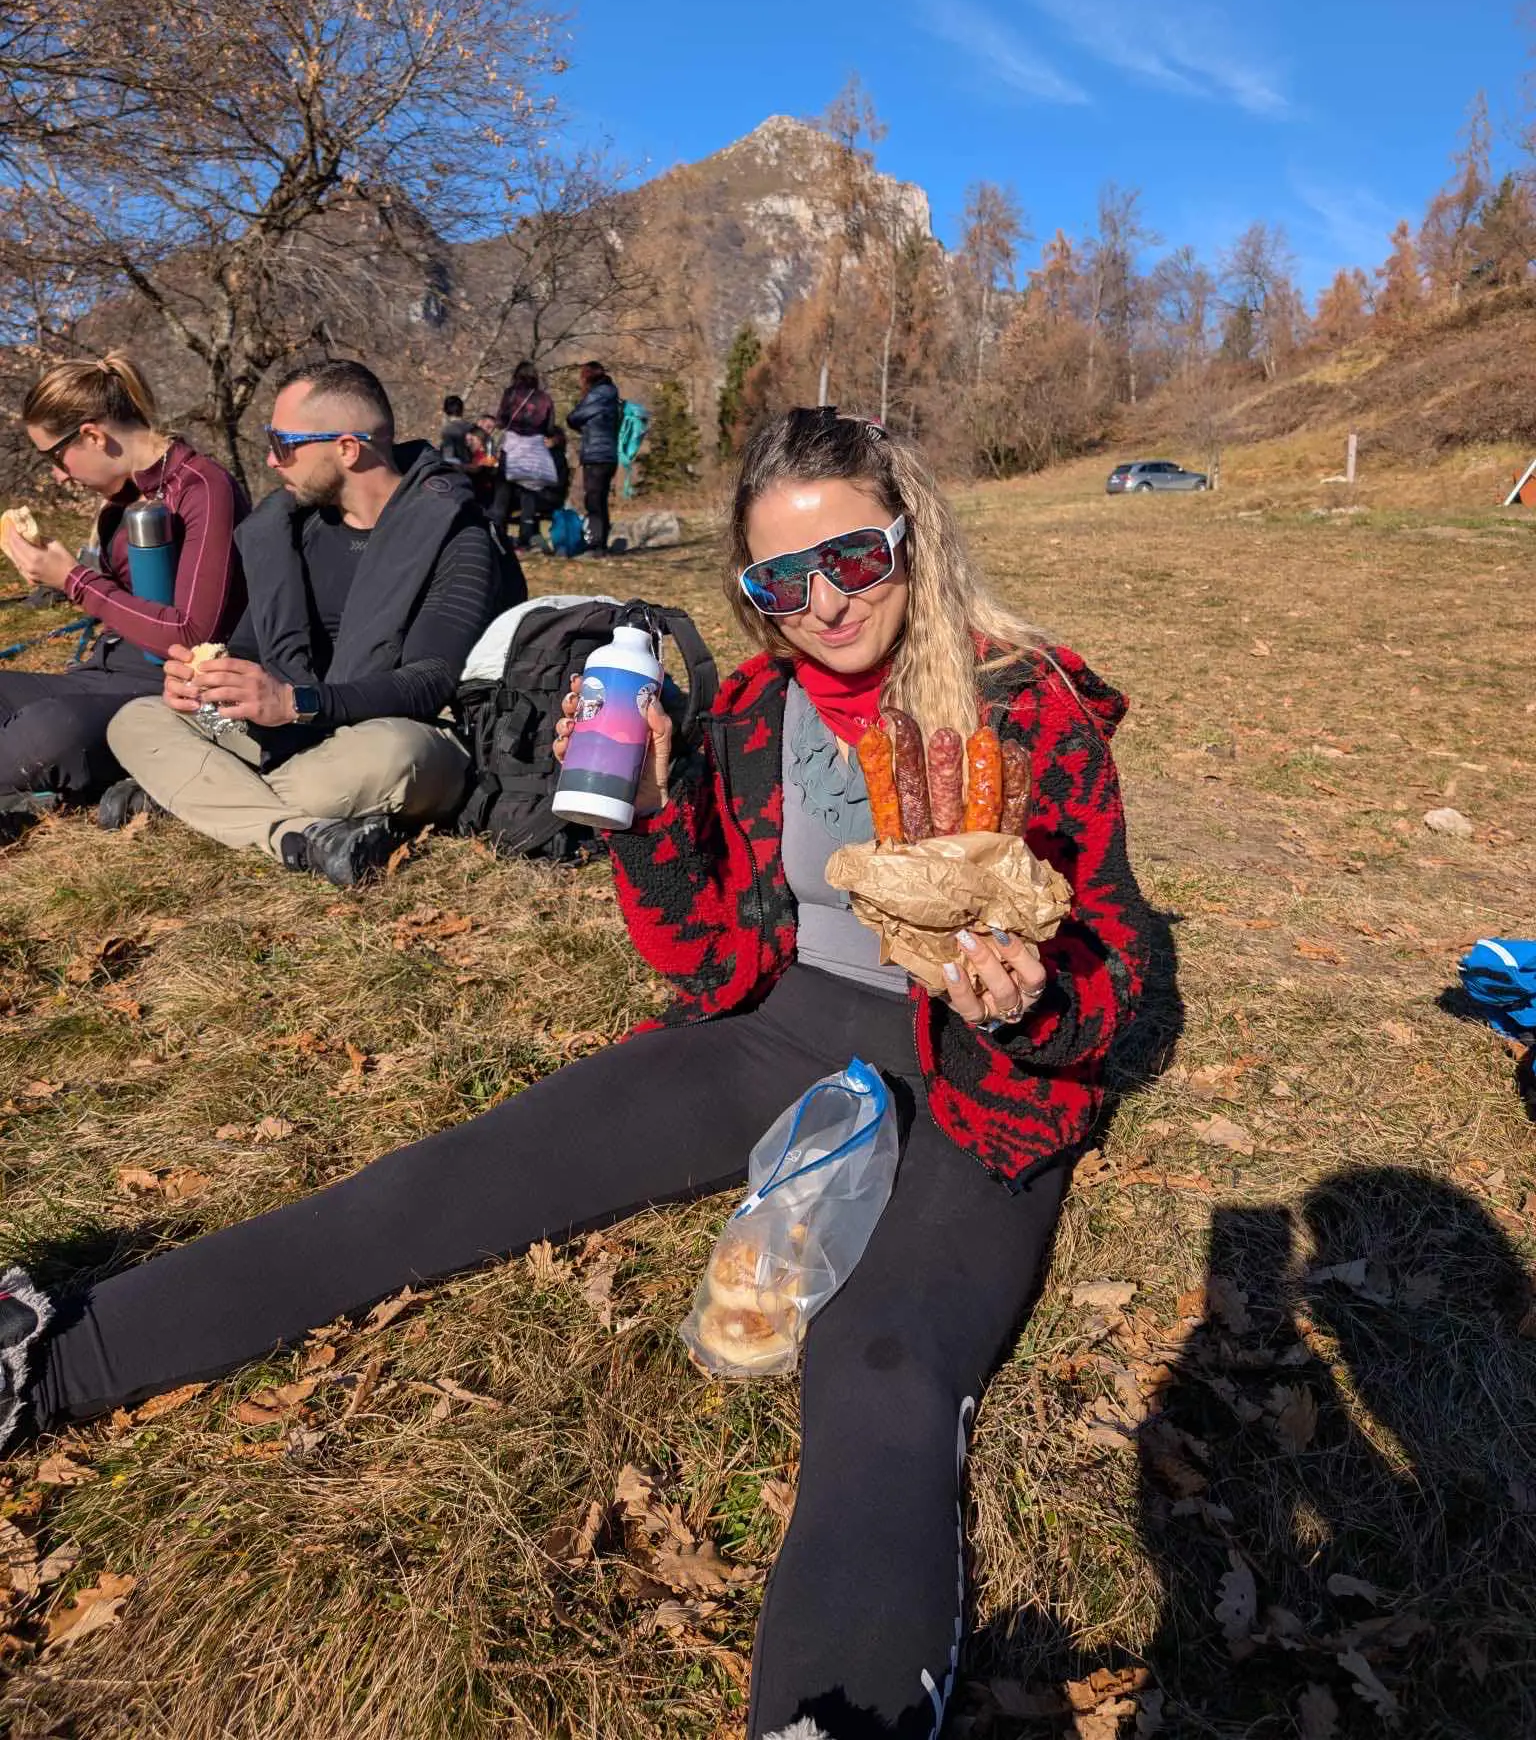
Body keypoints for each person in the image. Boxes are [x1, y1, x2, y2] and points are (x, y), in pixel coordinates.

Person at [0, 408, 1151, 1737]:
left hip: (983, 1081)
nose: (826, 603)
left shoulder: (1029, 707)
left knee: (881, 1362)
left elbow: (1117, 979)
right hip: (780, 1030)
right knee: (445, 1182)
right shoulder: (753, 710)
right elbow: (708, 958)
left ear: (913, 541)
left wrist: (1033, 1006)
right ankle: (52, 1358)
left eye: (854, 558)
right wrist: (651, 818)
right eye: (781, 580)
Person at [99, 359, 510, 888]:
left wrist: (297, 702)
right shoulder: (295, 529)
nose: (271, 459)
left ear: (347, 448)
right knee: (135, 719)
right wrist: (208, 682)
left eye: (284, 443)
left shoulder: (459, 536)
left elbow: (429, 680)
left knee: (396, 757)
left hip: (397, 733)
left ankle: (195, 795)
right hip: (291, 736)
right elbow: (250, 647)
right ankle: (293, 832)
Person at [0, 350, 246, 831]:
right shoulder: (121, 502)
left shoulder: (203, 488)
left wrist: (73, 580)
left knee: (47, 731)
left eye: (55, 457)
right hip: (104, 672)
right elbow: (122, 604)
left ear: (92, 435)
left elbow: (193, 634)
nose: (59, 475)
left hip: (172, 688)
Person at [489, 359, 558, 550]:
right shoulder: (544, 398)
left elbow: (501, 421)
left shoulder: (511, 394)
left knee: (502, 493)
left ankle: (497, 535)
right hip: (534, 450)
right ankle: (525, 538)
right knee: (529, 494)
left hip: (512, 448)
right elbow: (550, 427)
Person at [566, 358, 621, 555]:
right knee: (601, 499)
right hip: (610, 454)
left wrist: (579, 422)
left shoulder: (597, 396)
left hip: (596, 454)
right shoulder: (612, 395)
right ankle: (601, 542)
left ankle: (596, 544)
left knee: (594, 500)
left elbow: (574, 417)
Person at [437, 394, 479, 468]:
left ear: (445, 411)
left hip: (456, 468)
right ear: (462, 409)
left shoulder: (449, 430)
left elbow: (448, 457)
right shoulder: (473, 428)